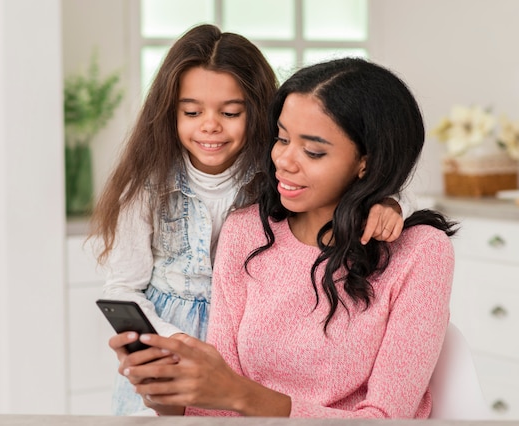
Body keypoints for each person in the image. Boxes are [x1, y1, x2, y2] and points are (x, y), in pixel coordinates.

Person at [91, 25, 416, 416]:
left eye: (230, 112)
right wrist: (175, 344)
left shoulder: (274, 181)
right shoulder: (148, 188)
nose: (210, 125)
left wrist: (384, 201)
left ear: (258, 113)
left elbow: (343, 183)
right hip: (173, 343)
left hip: (250, 348)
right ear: (168, 113)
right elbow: (122, 287)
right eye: (192, 112)